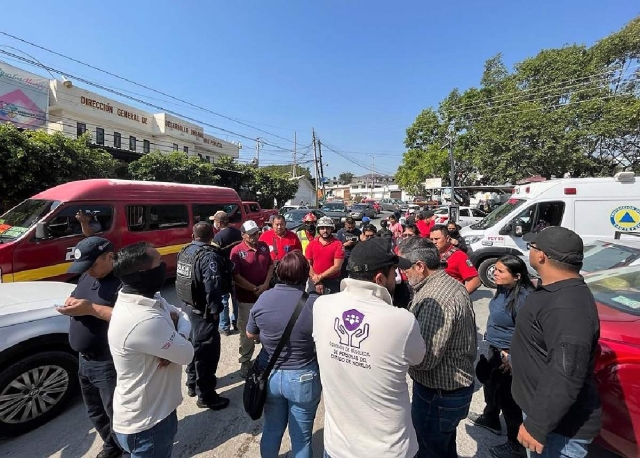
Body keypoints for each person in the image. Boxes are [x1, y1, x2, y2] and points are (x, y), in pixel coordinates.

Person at [313, 238, 426, 458]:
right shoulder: (402, 320)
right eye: (394, 273)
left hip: (337, 446)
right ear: (379, 278)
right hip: (386, 449)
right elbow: (418, 358)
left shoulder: (321, 306)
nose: (397, 278)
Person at [510, 227, 601, 458]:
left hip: (558, 432)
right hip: (546, 419)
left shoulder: (567, 307)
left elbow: (567, 373)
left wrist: (537, 426)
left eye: (532, 247)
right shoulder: (556, 291)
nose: (529, 251)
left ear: (542, 256)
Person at [108, 242, 194, 458]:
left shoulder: (149, 297)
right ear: (142, 273)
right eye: (159, 262)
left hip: (155, 414)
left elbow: (182, 314)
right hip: (148, 424)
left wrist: (176, 335)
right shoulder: (142, 319)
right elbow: (186, 354)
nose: (165, 264)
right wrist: (179, 338)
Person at [397, 236, 477, 458]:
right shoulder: (447, 284)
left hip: (439, 394)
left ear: (420, 266)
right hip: (448, 392)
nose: (403, 274)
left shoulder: (435, 298)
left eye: (405, 268)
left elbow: (426, 359)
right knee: (442, 447)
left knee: (428, 449)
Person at [246, 251, 322, 458]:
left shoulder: (264, 298)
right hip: (303, 376)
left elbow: (250, 333)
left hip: (270, 375)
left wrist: (268, 338)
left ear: (278, 272)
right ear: (306, 275)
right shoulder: (315, 303)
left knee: (272, 429)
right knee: (301, 437)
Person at [57, 237, 122, 458]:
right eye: (85, 267)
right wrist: (71, 300)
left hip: (107, 361)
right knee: (95, 411)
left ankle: (127, 449)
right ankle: (112, 445)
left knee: (116, 412)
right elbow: (79, 294)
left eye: (92, 265)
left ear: (110, 257)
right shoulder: (88, 274)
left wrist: (91, 309)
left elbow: (132, 319)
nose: (88, 271)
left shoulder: (123, 281)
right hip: (85, 361)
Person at [469, 255, 534, 458]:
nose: (495, 273)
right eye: (495, 269)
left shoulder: (524, 298)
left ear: (517, 276)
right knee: (491, 387)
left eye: (500, 271)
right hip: (495, 349)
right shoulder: (503, 289)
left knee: (509, 401)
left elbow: (529, 333)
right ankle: (490, 418)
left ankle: (515, 446)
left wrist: (513, 356)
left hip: (509, 356)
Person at [175, 222, 230, 410]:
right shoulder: (208, 256)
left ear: (193, 235)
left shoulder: (185, 251)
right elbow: (212, 286)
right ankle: (206, 395)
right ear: (212, 235)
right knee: (206, 354)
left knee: (192, 348)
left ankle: (191, 384)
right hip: (203, 311)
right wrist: (215, 311)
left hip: (187, 308)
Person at [230, 220, 274, 377]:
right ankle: (245, 361)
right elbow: (236, 276)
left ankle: (267, 357)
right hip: (246, 299)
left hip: (265, 296)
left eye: (257, 233)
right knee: (246, 332)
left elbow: (270, 265)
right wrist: (253, 288)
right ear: (243, 235)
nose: (256, 236)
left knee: (267, 328)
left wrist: (265, 284)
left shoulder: (263, 247)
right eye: (252, 234)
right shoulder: (237, 251)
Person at [212, 211, 243, 336]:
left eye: (214, 221)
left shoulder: (218, 237)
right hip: (237, 270)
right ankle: (236, 323)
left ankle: (224, 326)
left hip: (224, 272)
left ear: (219, 222)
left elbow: (214, 256)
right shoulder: (238, 232)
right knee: (236, 298)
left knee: (224, 299)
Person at [430, 225, 481, 294]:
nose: (434, 242)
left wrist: (458, 296)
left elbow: (474, 282)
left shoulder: (459, 256)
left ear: (447, 238)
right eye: (431, 239)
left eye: (437, 239)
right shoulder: (432, 254)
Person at [305, 216, 344, 295]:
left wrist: (320, 277)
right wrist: (316, 280)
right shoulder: (312, 244)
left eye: (328, 228)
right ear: (318, 229)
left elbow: (337, 267)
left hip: (331, 282)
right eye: (322, 228)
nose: (325, 230)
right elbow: (308, 264)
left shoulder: (338, 244)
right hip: (314, 281)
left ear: (331, 229)